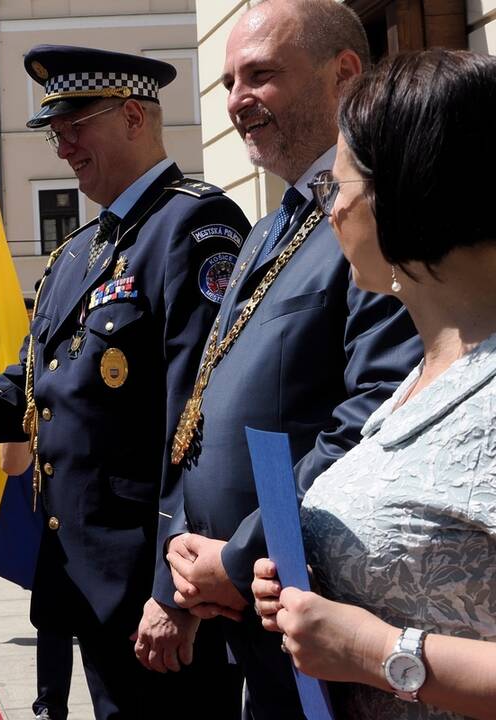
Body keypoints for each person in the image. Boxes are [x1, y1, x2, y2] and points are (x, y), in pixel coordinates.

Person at [0, 45, 252, 718]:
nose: (63, 147)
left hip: (152, 589)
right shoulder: (78, 252)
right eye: (54, 132)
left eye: (75, 126)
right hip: (86, 578)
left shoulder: (194, 227)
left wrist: (173, 590)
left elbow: (200, 420)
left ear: (132, 116)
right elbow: (39, 386)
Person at [139, 2, 422, 717]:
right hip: (243, 612)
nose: (235, 99)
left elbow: (376, 412)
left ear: (344, 76)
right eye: (230, 78)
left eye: (260, 75)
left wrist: (236, 559)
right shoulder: (268, 228)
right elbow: (198, 406)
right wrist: (180, 571)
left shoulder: (381, 218)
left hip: (323, 609)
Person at [250, 49, 496, 720]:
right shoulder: (424, 372)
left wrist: (375, 649)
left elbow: (376, 642)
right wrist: (307, 589)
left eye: (336, 188)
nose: (331, 213)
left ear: (410, 187)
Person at [0, 441, 72, 720]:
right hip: (56, 517)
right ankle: (49, 706)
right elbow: (11, 463)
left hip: (112, 518)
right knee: (53, 616)